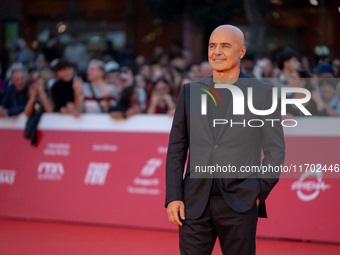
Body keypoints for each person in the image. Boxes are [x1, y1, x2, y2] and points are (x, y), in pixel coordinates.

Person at [166, 25, 285, 255]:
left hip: (241, 200)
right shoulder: (190, 92)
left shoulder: (262, 93)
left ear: (241, 52)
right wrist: (173, 197)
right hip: (194, 201)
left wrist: (258, 191)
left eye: (225, 46)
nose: (217, 52)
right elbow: (176, 148)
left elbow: (275, 150)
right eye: (212, 46)